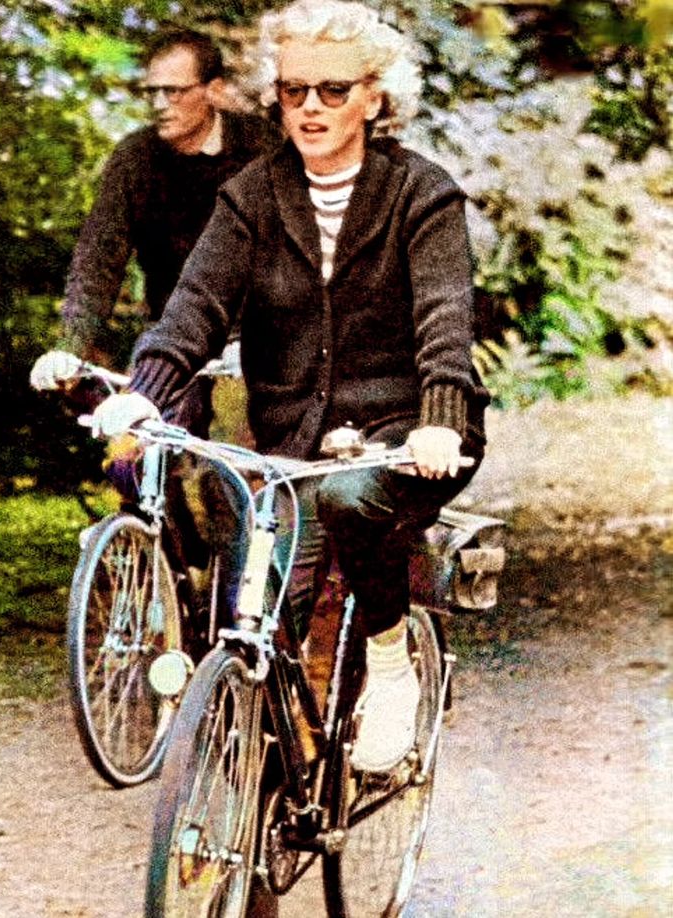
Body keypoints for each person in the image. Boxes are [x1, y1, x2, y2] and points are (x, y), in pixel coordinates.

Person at [90, 0, 489, 774]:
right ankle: (255, 803)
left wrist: (439, 419)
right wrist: (147, 390)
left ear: (375, 97)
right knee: (261, 604)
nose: (309, 107)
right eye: (292, 90)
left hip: (407, 431)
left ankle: (390, 653)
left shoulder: (421, 194)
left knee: (349, 502)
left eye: (332, 90)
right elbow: (195, 306)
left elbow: (446, 319)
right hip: (291, 441)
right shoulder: (252, 193)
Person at [31, 26, 278, 568]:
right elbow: (98, 258)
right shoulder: (136, 159)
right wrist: (71, 346)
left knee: (229, 473)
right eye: (152, 94)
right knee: (132, 455)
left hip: (255, 341)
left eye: (175, 91)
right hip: (176, 337)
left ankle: (240, 615)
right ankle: (176, 568)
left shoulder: (261, 150)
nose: (161, 105)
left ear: (212, 90)